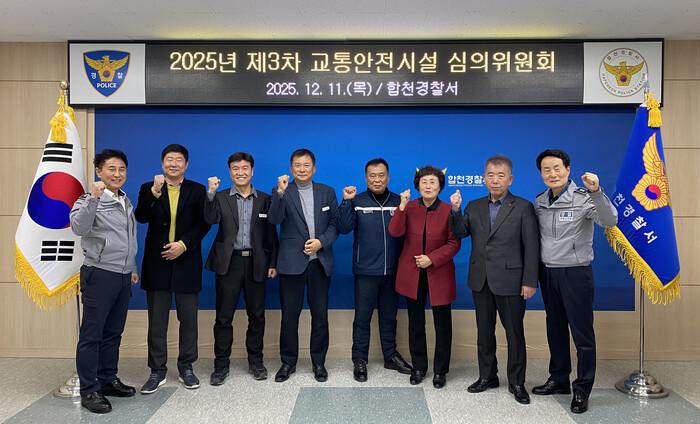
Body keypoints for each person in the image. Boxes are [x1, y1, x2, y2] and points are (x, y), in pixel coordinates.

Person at [531, 149, 617, 414]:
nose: (552, 174)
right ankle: (559, 379)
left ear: (567, 170)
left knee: (582, 334)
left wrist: (596, 191)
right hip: (548, 273)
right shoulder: (540, 201)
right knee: (555, 328)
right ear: (541, 174)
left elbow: (610, 220)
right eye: (546, 170)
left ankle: (582, 388)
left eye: (557, 168)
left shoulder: (584, 198)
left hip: (576, 273)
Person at [449, 155, 539, 405]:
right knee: (484, 332)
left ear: (510, 179)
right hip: (481, 280)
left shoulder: (523, 207)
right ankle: (487, 376)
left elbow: (531, 246)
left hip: (512, 281)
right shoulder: (474, 206)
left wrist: (529, 280)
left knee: (514, 333)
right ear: (484, 178)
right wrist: (455, 210)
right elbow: (459, 232)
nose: (495, 180)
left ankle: (517, 382)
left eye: (501, 176)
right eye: (490, 175)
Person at [134, 144, 210, 393]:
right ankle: (157, 370)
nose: (173, 164)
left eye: (178, 160)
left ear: (186, 165)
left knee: (188, 320)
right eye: (169, 159)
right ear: (162, 163)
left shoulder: (197, 190)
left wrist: (184, 245)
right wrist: (155, 192)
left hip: (187, 262)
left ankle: (186, 367)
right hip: (157, 263)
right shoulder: (149, 187)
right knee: (157, 321)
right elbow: (141, 216)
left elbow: (203, 224)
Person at [70, 149, 138, 414]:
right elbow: (79, 227)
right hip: (99, 273)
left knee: (113, 332)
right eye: (111, 168)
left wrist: (132, 267)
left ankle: (108, 379)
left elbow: (129, 238)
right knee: (92, 334)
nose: (117, 174)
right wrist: (94, 199)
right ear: (99, 171)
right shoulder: (88, 199)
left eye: (121, 169)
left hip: (123, 275)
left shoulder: (125, 200)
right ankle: (89, 389)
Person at [204, 152, 278, 385]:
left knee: (257, 315)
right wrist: (210, 193)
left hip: (257, 262)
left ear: (252, 171)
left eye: (245, 168)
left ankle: (256, 362)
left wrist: (273, 263)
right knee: (223, 317)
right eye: (235, 168)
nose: (240, 172)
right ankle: (221, 366)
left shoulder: (265, 199)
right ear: (229, 172)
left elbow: (271, 234)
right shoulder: (220, 197)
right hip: (229, 263)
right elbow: (210, 219)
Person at [337, 158, 412, 382]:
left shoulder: (399, 201)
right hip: (365, 272)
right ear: (366, 177)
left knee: (389, 317)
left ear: (388, 177)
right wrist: (346, 202)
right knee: (362, 318)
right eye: (372, 176)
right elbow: (343, 227)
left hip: (392, 271)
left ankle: (390, 356)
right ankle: (360, 359)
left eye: (381, 175)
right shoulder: (357, 201)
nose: (377, 180)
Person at [268, 148, 339, 383]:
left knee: (320, 316)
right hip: (291, 263)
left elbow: (335, 225)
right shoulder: (281, 191)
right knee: (289, 317)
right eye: (297, 165)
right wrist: (279, 193)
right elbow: (274, 220)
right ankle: (288, 362)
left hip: (319, 263)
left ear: (314, 168)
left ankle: (319, 362)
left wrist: (321, 242)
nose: (302, 169)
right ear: (291, 169)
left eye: (306, 165)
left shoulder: (327, 192)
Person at [388, 165, 460, 389]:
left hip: (439, 273)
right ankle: (419, 367)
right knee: (416, 323)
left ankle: (440, 370)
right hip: (412, 273)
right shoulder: (409, 207)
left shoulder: (448, 210)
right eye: (424, 182)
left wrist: (432, 258)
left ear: (440, 186)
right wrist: (401, 207)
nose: (428, 186)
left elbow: (454, 243)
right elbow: (395, 232)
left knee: (443, 325)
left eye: (432, 182)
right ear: (417, 185)